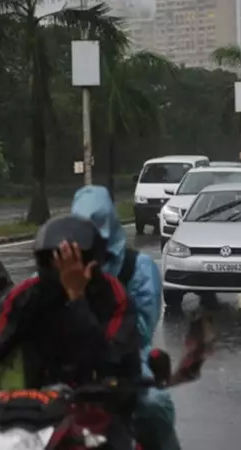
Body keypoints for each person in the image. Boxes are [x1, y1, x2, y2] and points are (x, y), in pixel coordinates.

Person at [0, 214, 141, 447]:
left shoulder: (114, 297)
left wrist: (76, 299)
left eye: (70, 262)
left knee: (152, 414)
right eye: (55, 261)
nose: (61, 270)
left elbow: (105, 359)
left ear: (91, 264)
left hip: (103, 403)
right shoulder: (30, 293)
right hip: (37, 405)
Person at [70, 185, 179, 450]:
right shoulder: (62, 267)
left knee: (154, 405)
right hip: (69, 361)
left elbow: (140, 331)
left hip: (125, 361)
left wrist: (92, 293)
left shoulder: (136, 268)